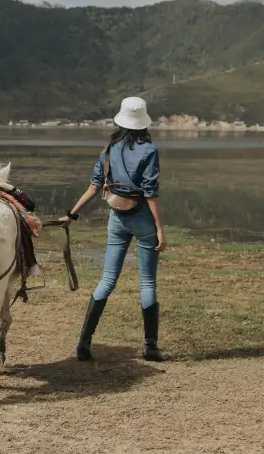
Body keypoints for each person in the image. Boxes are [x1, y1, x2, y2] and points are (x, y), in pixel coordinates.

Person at [61, 96, 170, 363]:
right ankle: (150, 347)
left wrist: (72, 214)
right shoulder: (149, 151)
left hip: (117, 218)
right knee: (147, 282)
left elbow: (94, 186)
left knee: (107, 280)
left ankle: (84, 344)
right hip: (142, 218)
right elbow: (150, 193)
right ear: (143, 122)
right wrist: (159, 228)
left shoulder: (109, 148)